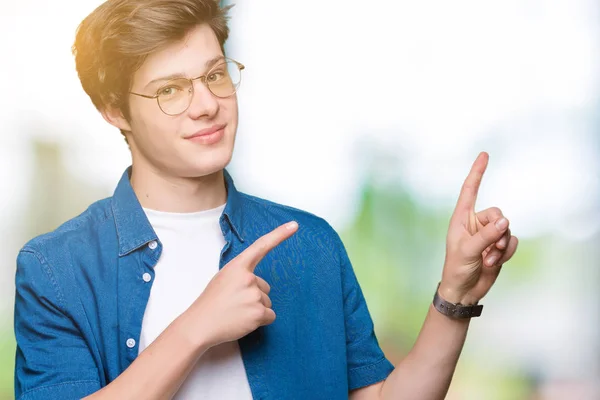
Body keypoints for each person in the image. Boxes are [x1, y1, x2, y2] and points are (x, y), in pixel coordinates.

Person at [13, 1, 519, 399]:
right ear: (113, 111)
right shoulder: (56, 267)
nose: (208, 104)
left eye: (214, 75)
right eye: (170, 90)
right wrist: (195, 328)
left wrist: (457, 294)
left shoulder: (311, 244)